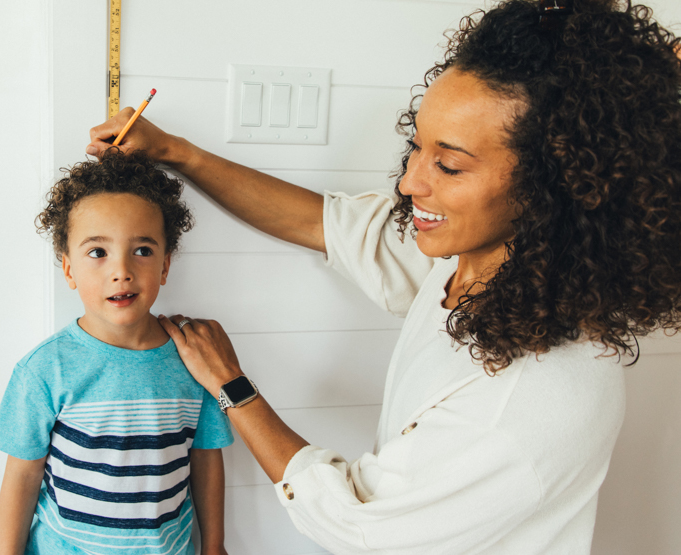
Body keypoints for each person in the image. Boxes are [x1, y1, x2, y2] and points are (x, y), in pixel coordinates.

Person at [84, 0, 681, 553]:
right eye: (417, 148)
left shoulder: (538, 397)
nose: (409, 182)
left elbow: (358, 520)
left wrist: (233, 387)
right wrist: (175, 152)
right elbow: (322, 222)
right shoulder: (467, 258)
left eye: (447, 165)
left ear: (555, 186)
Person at [0, 150, 234, 555]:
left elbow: (206, 458)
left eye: (142, 250)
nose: (121, 270)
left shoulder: (195, 359)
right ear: (68, 269)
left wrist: (214, 545)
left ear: (165, 265)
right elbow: (22, 473)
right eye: (97, 252)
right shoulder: (45, 369)